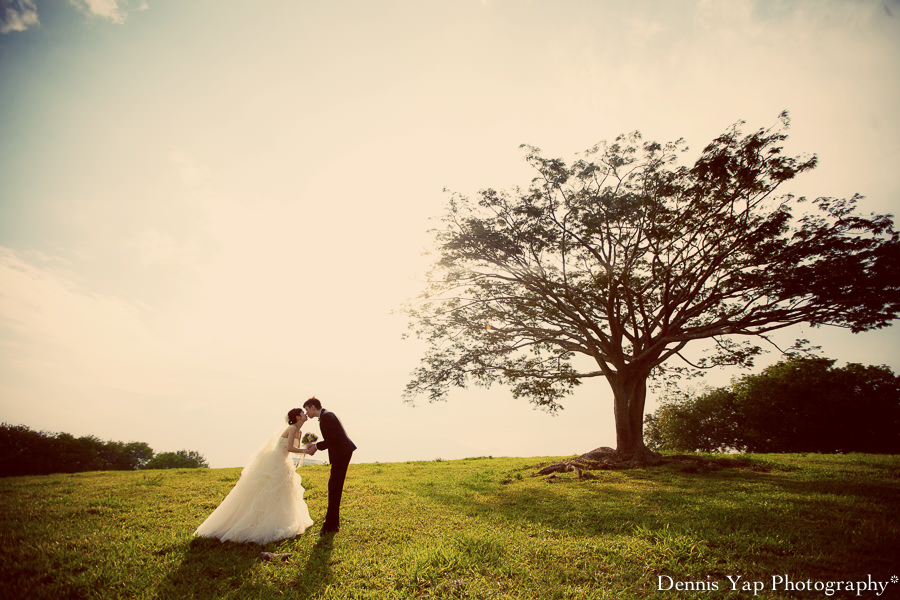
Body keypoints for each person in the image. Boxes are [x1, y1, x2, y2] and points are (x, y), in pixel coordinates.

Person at [193, 408, 315, 544]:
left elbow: (294, 451)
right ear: (298, 417)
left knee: (283, 493)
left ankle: (279, 521)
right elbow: (290, 448)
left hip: (285, 462)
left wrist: (308, 448)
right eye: (303, 413)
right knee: (266, 491)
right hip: (275, 462)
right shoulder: (292, 428)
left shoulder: (299, 432)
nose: (305, 415)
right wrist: (306, 450)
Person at [303, 396, 356, 534]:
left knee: (334, 489)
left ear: (313, 407)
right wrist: (316, 444)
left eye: (307, 409)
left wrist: (316, 446)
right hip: (342, 453)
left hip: (341, 454)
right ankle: (333, 524)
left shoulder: (326, 417)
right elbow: (332, 438)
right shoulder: (327, 416)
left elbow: (332, 439)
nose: (307, 413)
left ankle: (330, 526)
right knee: (334, 488)